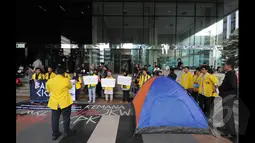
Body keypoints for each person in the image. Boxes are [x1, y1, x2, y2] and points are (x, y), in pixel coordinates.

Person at [46, 66, 75, 140]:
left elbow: (48, 90)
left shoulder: (50, 81)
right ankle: (66, 132)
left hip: (54, 103)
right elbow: (70, 87)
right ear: (64, 73)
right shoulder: (66, 80)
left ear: (55, 72)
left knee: (54, 119)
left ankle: (55, 134)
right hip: (65, 102)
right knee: (66, 118)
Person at [217, 59, 237, 141]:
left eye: (224, 65)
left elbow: (233, 85)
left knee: (228, 113)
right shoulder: (229, 73)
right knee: (226, 112)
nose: (223, 66)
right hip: (227, 95)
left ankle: (232, 133)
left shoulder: (231, 74)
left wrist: (222, 88)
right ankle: (226, 128)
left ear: (229, 66)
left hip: (229, 95)